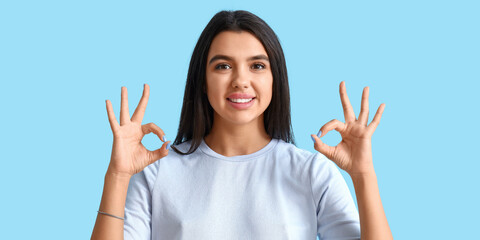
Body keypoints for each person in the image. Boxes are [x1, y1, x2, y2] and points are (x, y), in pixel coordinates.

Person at [91, 10, 393, 240]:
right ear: (202, 81)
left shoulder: (312, 173)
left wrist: (363, 175)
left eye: (257, 66)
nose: (240, 81)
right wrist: (117, 175)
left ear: (276, 79)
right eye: (223, 66)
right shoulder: (157, 173)